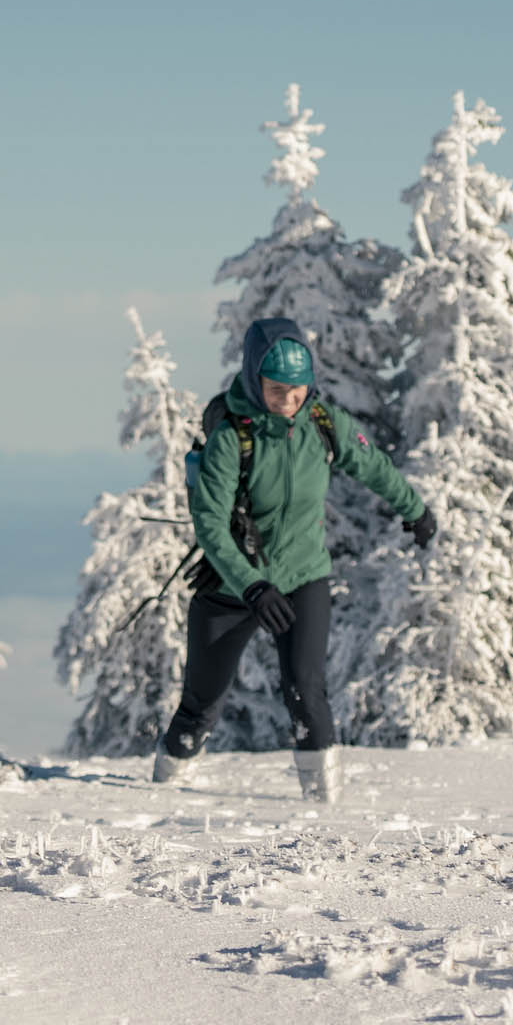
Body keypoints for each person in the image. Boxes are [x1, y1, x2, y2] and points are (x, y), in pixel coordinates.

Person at [155, 316, 436, 803]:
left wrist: (416, 510)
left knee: (306, 687)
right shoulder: (232, 438)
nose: (288, 401)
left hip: (303, 575)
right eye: (276, 389)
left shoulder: (322, 425)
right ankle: (160, 792)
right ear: (252, 379)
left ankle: (323, 806)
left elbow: (372, 465)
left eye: (298, 390)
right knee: (201, 703)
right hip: (233, 585)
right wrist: (251, 586)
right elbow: (210, 525)